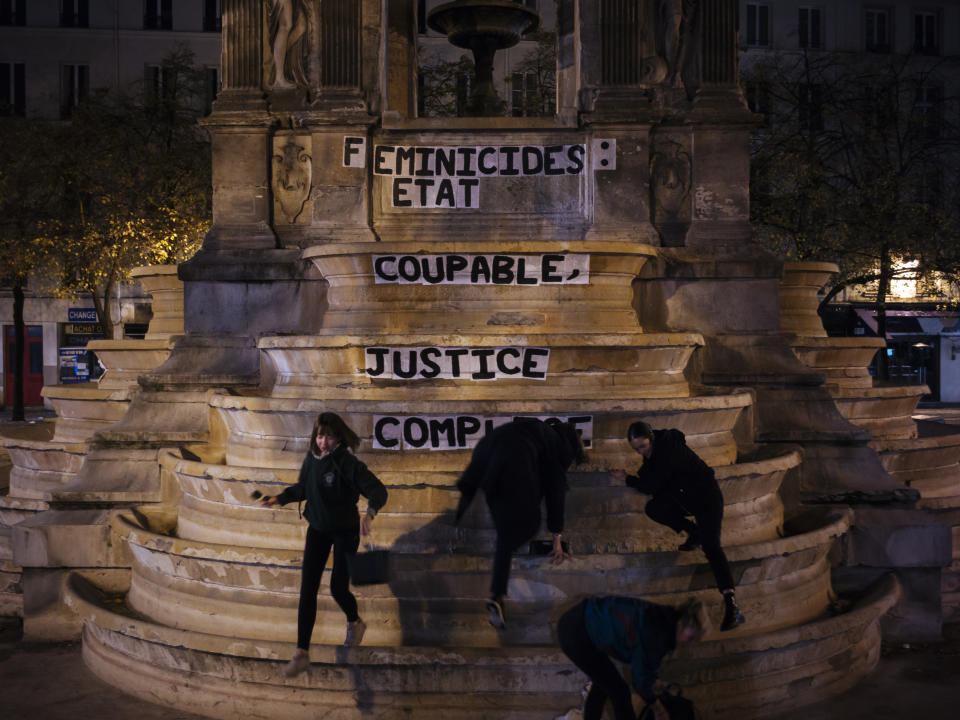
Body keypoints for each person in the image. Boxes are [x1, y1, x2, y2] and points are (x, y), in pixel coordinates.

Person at [260, 412, 388, 677]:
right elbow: (303, 488)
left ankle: (355, 622)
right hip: (317, 529)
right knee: (308, 589)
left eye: (329, 436)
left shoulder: (348, 464)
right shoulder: (312, 459)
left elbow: (378, 491)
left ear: (338, 437)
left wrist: (369, 514)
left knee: (338, 588)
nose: (323, 441)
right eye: (320, 435)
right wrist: (279, 498)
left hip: (345, 532)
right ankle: (301, 652)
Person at [609, 421, 745, 632]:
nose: (641, 452)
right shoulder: (654, 454)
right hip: (685, 498)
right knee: (654, 508)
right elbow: (649, 476)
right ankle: (693, 532)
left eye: (643, 446)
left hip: (707, 498)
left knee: (712, 547)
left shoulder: (668, 450)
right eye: (636, 449)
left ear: (651, 437)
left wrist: (627, 478)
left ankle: (732, 604)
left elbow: (650, 483)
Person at [455, 418, 586, 629]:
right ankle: (498, 595)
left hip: (487, 453)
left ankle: (497, 596)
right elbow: (556, 494)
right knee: (529, 524)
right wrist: (557, 537)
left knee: (504, 536)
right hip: (515, 458)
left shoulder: (537, 434)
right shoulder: (557, 448)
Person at [557, 594, 708, 720]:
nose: (691, 644)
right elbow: (639, 681)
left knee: (603, 685)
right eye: (691, 638)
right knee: (620, 692)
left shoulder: (665, 619)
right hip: (577, 632)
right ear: (681, 623)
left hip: (580, 621)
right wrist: (658, 708)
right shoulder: (660, 636)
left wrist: (653, 682)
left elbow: (643, 663)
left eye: (696, 640)